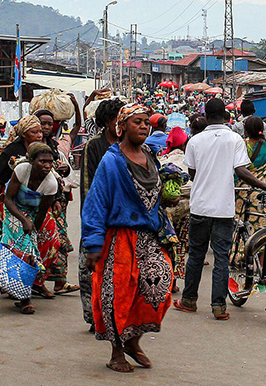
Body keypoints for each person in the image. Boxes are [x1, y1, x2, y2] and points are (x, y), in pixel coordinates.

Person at [175, 99, 266, 320]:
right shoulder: (235, 139)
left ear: (206, 116)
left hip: (200, 206)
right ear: (226, 115)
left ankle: (189, 300)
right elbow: (242, 171)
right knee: (221, 257)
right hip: (224, 209)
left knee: (196, 255)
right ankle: (219, 307)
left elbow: (192, 173)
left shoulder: (195, 141)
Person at [82, 103, 174, 373]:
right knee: (117, 295)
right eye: (138, 122)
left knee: (158, 288)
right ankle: (116, 352)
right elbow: (96, 202)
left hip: (148, 236)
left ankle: (133, 340)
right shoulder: (112, 161)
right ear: (122, 126)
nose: (144, 126)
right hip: (119, 237)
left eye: (147, 122)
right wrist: (93, 244)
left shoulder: (149, 154)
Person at [78, 98, 126, 330]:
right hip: (98, 217)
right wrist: (91, 223)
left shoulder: (131, 145)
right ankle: (95, 318)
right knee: (91, 272)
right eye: (119, 117)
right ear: (108, 121)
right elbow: (87, 187)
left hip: (123, 220)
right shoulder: (94, 147)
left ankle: (117, 317)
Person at [0, 142, 61, 313]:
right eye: (42, 162)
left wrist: (34, 232)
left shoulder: (51, 184)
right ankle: (25, 299)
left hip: (34, 212)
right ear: (31, 161)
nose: (47, 166)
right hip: (14, 209)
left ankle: (34, 283)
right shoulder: (21, 170)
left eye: (50, 162)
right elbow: (8, 199)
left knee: (49, 243)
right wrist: (23, 221)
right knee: (22, 250)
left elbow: (41, 213)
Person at [34, 103, 81, 296]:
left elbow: (65, 168)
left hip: (58, 200)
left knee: (60, 241)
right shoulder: (31, 147)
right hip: (35, 201)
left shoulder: (55, 145)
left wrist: (64, 169)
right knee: (38, 243)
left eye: (49, 124)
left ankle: (59, 282)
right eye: (42, 124)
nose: (46, 128)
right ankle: (35, 281)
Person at [0, 115, 43, 222]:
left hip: (35, 204)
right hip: (12, 204)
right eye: (34, 132)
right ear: (24, 134)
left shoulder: (41, 150)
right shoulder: (12, 151)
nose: (39, 135)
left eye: (40, 132)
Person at [234, 116, 266, 233]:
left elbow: (236, 171)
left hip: (244, 192)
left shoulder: (241, 145)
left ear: (246, 130)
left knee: (241, 226)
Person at [159, 126, 191, 293]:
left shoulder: (163, 160)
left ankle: (168, 278)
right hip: (187, 209)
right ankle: (175, 282)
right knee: (180, 247)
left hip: (168, 208)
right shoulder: (189, 161)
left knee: (168, 244)